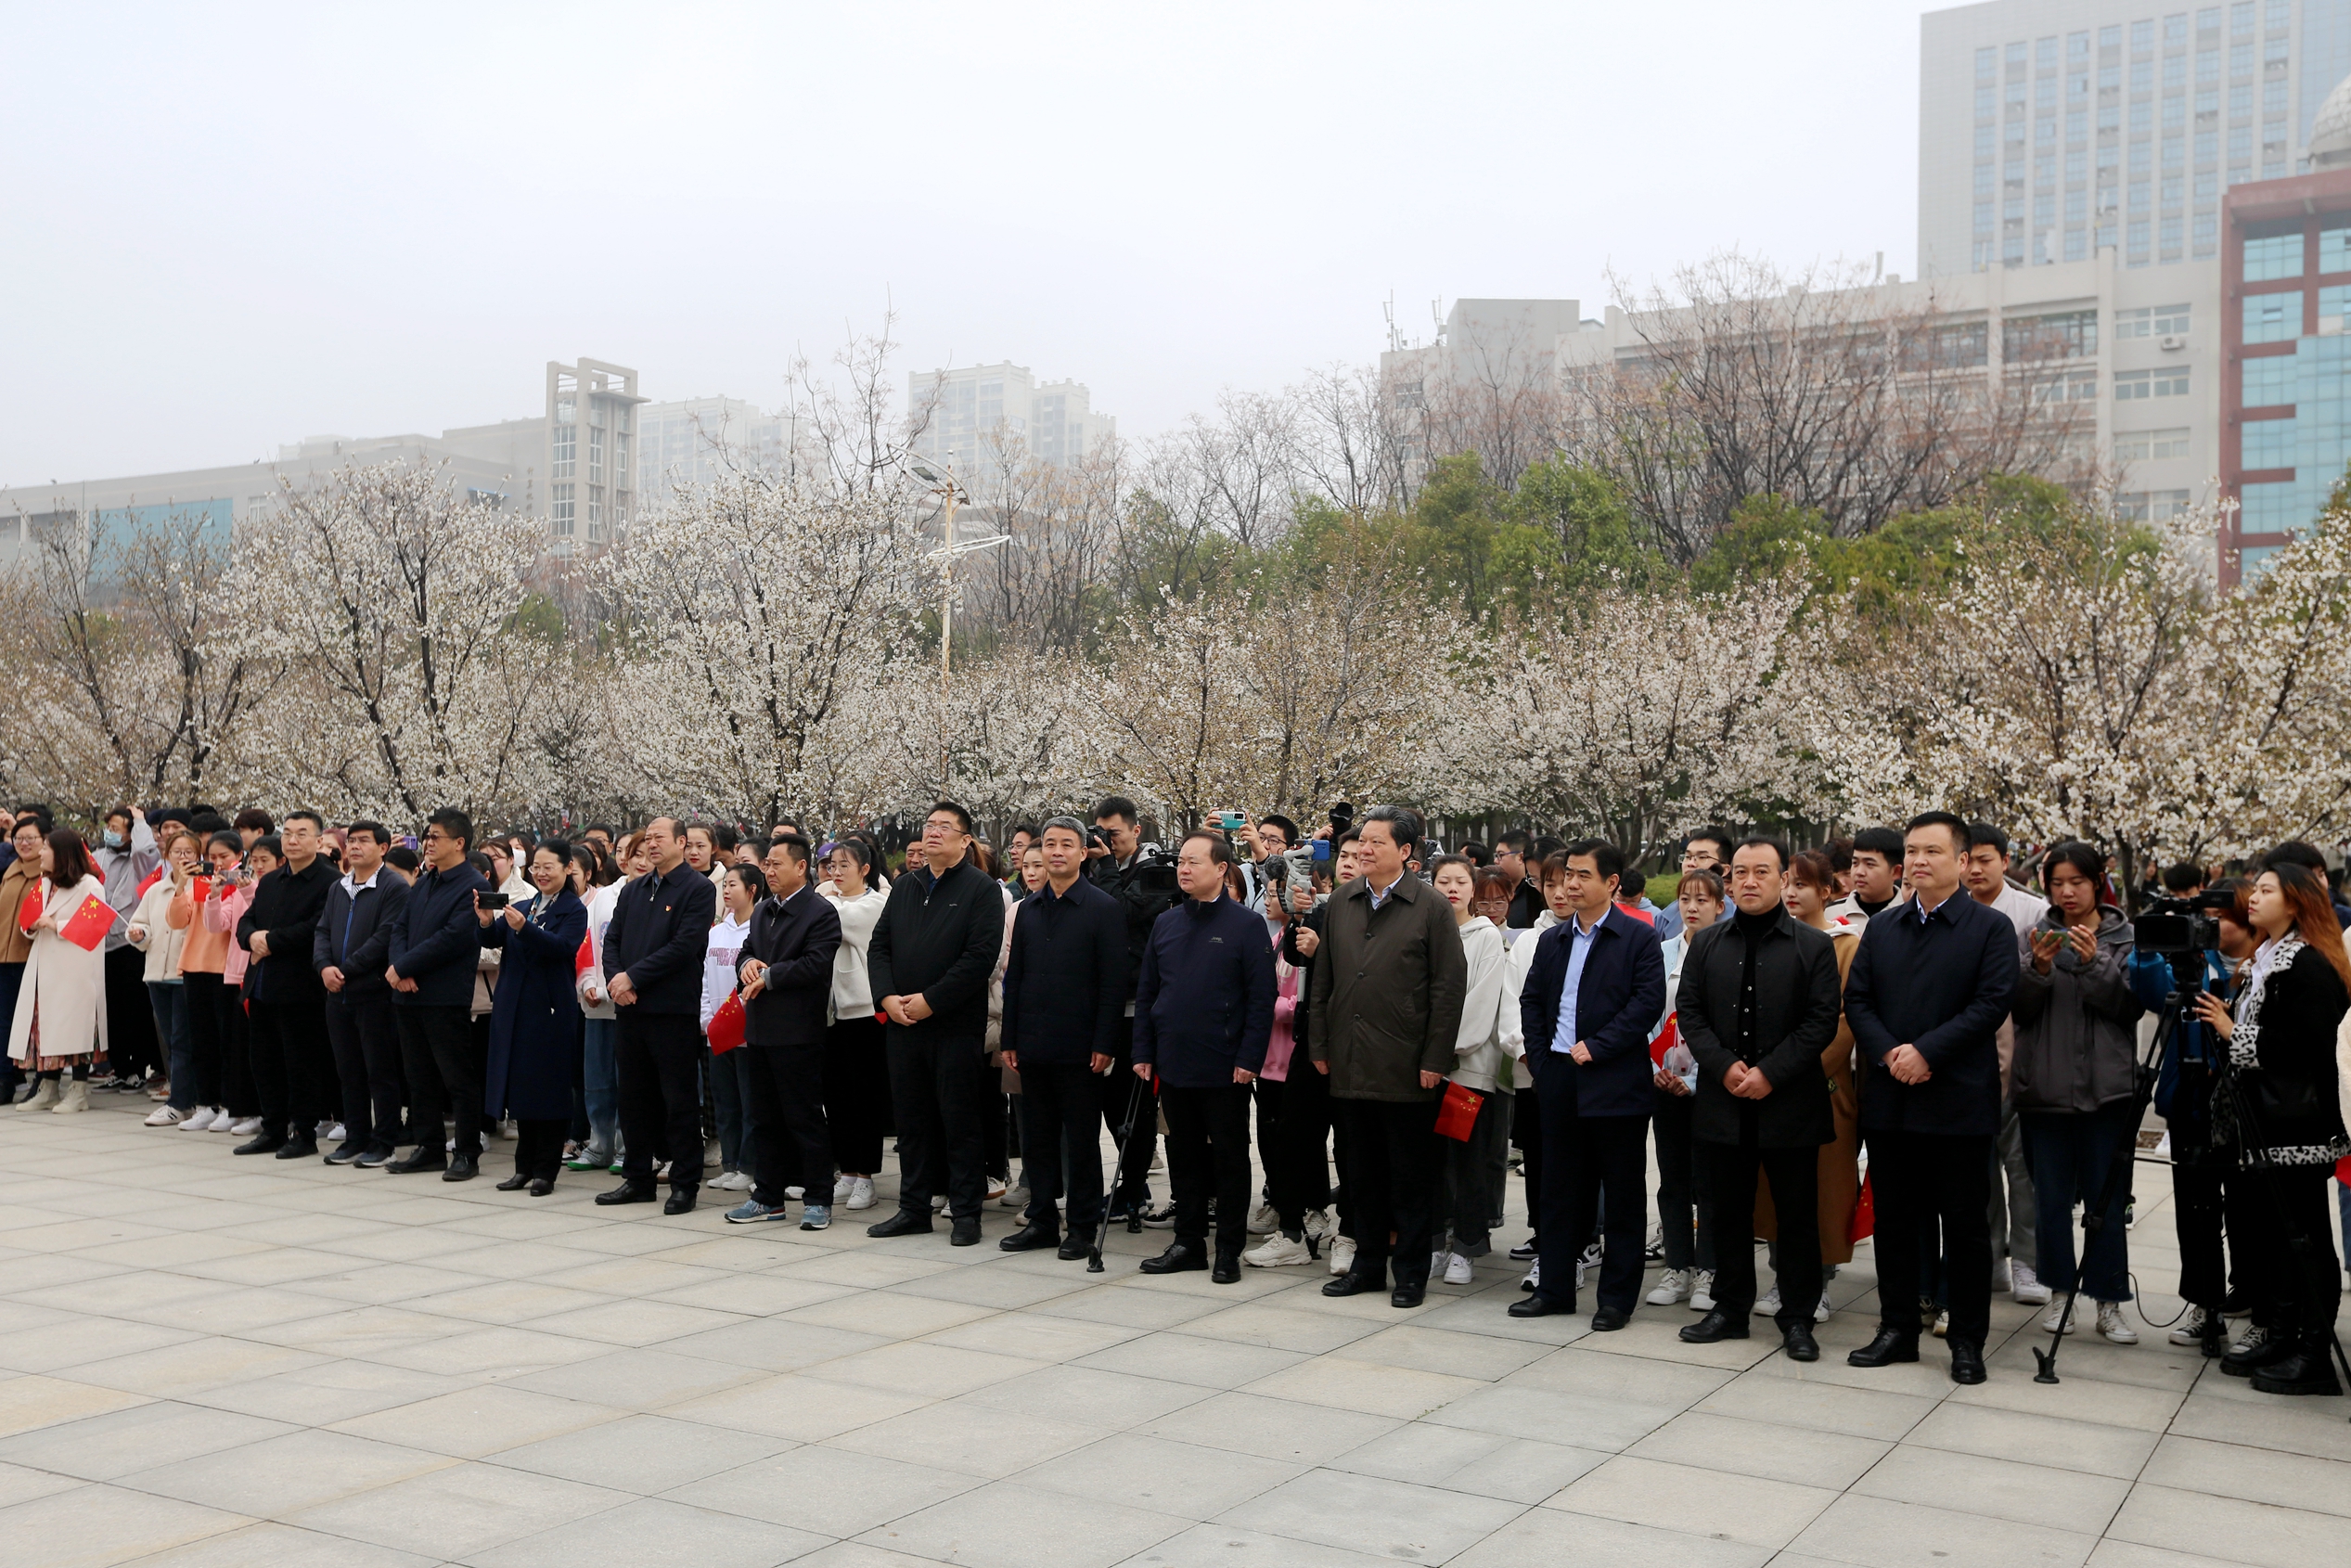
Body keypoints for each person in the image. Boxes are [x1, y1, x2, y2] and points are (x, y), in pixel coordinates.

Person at [1843, 811, 2020, 1386]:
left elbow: (1991, 1003)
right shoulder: (1884, 928)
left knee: (1965, 1226)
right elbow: (1858, 1001)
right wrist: (1891, 1052)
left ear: (1962, 862)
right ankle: (1897, 1329)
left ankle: (1968, 1340)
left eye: (1933, 852)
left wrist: (1927, 1053)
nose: (1918, 861)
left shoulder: (1990, 928)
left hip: (1958, 1101)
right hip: (1891, 1097)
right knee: (1896, 1221)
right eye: (1912, 851)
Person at [1675, 838, 1842, 1361]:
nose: (1750, 881)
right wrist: (1723, 1066)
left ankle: (1798, 1318)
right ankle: (1729, 1309)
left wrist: (1771, 1072)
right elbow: (1690, 1012)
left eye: (1762, 871)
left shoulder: (1813, 945)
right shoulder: (1707, 943)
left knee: (1796, 1216)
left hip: (1790, 1102)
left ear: (1783, 879)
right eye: (1740, 872)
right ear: (1729, 882)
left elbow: (1821, 1021)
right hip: (1723, 1100)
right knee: (1726, 1212)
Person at [2194, 859, 2351, 1394]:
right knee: (2279, 1235)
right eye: (2256, 889)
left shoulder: (2308, 963)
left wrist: (2231, 1030)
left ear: (2296, 901)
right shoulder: (2267, 959)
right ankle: (2282, 1335)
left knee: (2305, 1235)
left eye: (2266, 890)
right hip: (2267, 1121)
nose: (2254, 898)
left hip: (2298, 1124)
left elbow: (2311, 1047)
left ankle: (2314, 1353)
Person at [1312, 806, 1469, 1309]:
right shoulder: (1342, 900)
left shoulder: (1430, 907)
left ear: (1405, 851)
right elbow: (1324, 979)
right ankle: (1367, 1267)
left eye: (1376, 842)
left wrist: (1435, 1058)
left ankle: (1411, 1273)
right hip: (1349, 1059)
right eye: (1362, 841)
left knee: (1410, 1177)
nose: (1364, 850)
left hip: (1407, 1065)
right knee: (1360, 1176)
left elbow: (1448, 989)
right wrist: (1319, 1044)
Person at [1509, 839, 1666, 1327]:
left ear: (1612, 882)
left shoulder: (1637, 937)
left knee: (1621, 1195)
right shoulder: (1553, 939)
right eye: (1566, 876)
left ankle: (1616, 1299)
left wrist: (1598, 1045)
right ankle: (1554, 1289)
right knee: (1558, 1192)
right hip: (1558, 1077)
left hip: (1616, 1081)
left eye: (1582, 875)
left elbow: (1647, 1003)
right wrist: (1541, 1059)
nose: (1571, 885)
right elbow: (1532, 1001)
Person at [2011, 841, 2142, 1344]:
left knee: (2106, 1201)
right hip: (2044, 1090)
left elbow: (2129, 1008)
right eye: (2057, 883)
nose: (2067, 892)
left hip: (2107, 1092)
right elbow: (2018, 1009)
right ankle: (2060, 1294)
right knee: (2050, 1202)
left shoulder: (2124, 939)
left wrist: (2094, 964)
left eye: (2077, 882)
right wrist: (2039, 970)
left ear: (2097, 883)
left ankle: (2109, 1302)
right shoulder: (2032, 937)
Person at [1133, 830, 1276, 1281]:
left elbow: (1261, 998)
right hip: (1174, 1060)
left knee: (1229, 1158)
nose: (1184, 869)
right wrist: (1143, 1050)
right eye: (1181, 862)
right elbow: (1149, 992)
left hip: (1226, 1064)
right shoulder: (1166, 922)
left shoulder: (1245, 925)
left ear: (1221, 869)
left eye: (1194, 862)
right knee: (1183, 1155)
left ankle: (1228, 1248)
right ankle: (1188, 1242)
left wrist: (1249, 1057)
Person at [867, 802, 1007, 1244]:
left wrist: (931, 1001)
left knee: (959, 1121)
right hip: (903, 1024)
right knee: (911, 1122)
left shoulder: (981, 889)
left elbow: (979, 958)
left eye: (945, 827)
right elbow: (879, 947)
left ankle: (966, 1213)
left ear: (965, 841)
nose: (933, 832)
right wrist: (887, 997)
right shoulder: (905, 886)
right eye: (929, 825)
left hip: (954, 1026)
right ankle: (913, 1208)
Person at [2130, 878, 2254, 1346]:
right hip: (2190, 1103)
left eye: (2219, 919)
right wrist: (2148, 947)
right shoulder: (2192, 963)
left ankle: (2252, 1296)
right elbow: (2149, 993)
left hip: (2243, 1110)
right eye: (2205, 918)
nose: (2208, 926)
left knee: (2246, 1212)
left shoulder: (2262, 966)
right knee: (2195, 1211)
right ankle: (2205, 1304)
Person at [998, 817, 1127, 1260]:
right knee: (1036, 1137)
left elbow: (1113, 983)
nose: (1056, 852)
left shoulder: (1103, 908)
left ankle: (1082, 1227)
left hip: (1081, 1045)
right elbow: (1014, 978)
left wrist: (1105, 1043)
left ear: (1082, 853)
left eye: (1066, 844)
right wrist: (1010, 1037)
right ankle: (1041, 1220)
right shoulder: (1028, 909)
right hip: (1032, 1041)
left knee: (1081, 1140)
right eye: (1050, 843)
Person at [598, 816, 721, 1215]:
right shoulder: (633, 890)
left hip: (672, 1010)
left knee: (678, 1101)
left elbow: (684, 946)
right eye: (646, 839)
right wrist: (617, 979)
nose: (650, 845)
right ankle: (637, 1178)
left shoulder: (697, 889)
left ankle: (684, 1184)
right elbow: (612, 940)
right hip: (630, 1008)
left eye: (658, 838)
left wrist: (633, 976)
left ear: (681, 842)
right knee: (634, 1099)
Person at [1760, 850, 1864, 1311]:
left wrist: (1794, 1071)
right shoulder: (1771, 939)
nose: (1791, 892)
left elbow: (1845, 1020)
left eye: (1802, 885)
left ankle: (1817, 1282)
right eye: (1787, 882)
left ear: (1826, 891)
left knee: (1823, 1186)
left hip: (1823, 1085)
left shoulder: (1845, 945)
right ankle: (1781, 1276)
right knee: (1773, 1187)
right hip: (1769, 1084)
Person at [728, 836, 843, 1229]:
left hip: (798, 1031)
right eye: (767, 864)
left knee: (804, 1118)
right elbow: (747, 948)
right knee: (763, 1119)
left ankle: (818, 1199)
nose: (770, 871)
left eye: (777, 864)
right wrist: (746, 965)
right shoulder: (764, 909)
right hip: (760, 1029)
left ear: (801, 867)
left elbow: (816, 964)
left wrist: (770, 976)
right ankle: (767, 1196)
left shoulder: (820, 912)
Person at [1965, 821, 2052, 1308]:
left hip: (2019, 1061)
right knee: (1978, 1171)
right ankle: (1991, 1255)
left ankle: (2028, 1261)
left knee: (2021, 1170)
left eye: (1986, 860)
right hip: (1965, 1060)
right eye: (1970, 860)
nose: (1976, 870)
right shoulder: (1952, 909)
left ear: (2004, 860)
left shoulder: (2032, 912)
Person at [384, 808, 494, 1180]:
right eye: (426, 836)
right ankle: (429, 1148)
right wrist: (399, 967)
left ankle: (466, 1153)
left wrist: (404, 967)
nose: (428, 843)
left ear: (459, 842)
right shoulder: (427, 880)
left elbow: (454, 937)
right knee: (418, 1078)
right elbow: (400, 927)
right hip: (409, 993)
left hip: (444, 995)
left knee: (457, 1079)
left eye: (435, 837)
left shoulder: (473, 885)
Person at [480, 841, 588, 1195]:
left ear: (567, 868)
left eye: (548, 867)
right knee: (522, 1090)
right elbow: (493, 937)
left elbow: (563, 947)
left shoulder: (573, 909)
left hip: (550, 1009)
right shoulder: (525, 904)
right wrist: (486, 920)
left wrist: (525, 928)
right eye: (536, 867)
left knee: (550, 1090)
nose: (540, 873)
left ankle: (546, 1170)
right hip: (515, 1008)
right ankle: (522, 1168)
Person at [1088, 795, 1176, 1221]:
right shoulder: (1096, 867)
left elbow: (1118, 914)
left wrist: (1105, 865)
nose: (1107, 841)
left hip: (1139, 1004)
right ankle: (1132, 1183)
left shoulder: (1156, 870)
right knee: (1109, 1102)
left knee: (1134, 1105)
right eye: (1100, 833)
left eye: (1114, 834)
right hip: (1102, 1002)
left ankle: (1134, 1186)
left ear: (1136, 830)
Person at [1431, 856, 1513, 1286]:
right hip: (1425, 1070)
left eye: (1461, 881)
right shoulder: (1427, 930)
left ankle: (1466, 1246)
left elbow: (1481, 1006)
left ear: (1473, 889)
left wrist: (1442, 1051)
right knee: (1434, 1161)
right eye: (1443, 881)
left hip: (1466, 1072)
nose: (1452, 888)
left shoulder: (1485, 937)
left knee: (1467, 1160)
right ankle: (1436, 1242)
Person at [236, 810, 336, 1158]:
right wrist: (252, 938)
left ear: (318, 840)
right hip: (262, 985)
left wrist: (270, 941)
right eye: (288, 833)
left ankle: (304, 1133)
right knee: (265, 1062)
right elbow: (247, 920)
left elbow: (317, 928)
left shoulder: (330, 881)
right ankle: (273, 1129)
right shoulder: (271, 880)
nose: (292, 840)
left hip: (301, 987)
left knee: (301, 1064)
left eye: (301, 834)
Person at [1647, 868, 1725, 1312]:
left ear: (1720, 905)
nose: (1692, 908)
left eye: (1702, 900)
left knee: (1709, 1180)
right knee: (1672, 1178)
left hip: (1711, 1084)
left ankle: (1709, 1270)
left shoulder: (1728, 953)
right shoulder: (1662, 952)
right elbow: (1648, 1014)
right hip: (1663, 1081)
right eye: (1685, 899)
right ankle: (1677, 1265)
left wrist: (1694, 1077)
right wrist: (1657, 1067)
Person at [315, 821, 405, 1166]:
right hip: (337, 994)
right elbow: (323, 931)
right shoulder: (338, 887)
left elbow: (385, 936)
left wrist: (346, 970)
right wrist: (324, 967)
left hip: (374, 993)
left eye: (363, 841)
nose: (354, 846)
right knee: (348, 1071)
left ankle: (384, 1142)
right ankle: (355, 1138)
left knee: (379, 1072)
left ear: (383, 848)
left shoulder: (394, 887)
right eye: (351, 840)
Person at [7, 829, 111, 1112]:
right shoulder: (44, 883)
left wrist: (56, 926)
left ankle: (78, 1091)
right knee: (46, 1028)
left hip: (77, 971)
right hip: (44, 967)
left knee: (77, 1030)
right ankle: (49, 1088)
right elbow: (28, 920)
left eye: (46, 848)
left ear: (62, 853)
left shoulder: (90, 885)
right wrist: (31, 927)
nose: (41, 853)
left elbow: (95, 926)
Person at [817, 839, 888, 1212]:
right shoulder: (831, 901)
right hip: (832, 1013)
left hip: (865, 1013)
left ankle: (866, 1177)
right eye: (831, 866)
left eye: (845, 865)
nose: (836, 872)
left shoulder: (873, 905)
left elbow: (830, 920)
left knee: (866, 1098)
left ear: (865, 870)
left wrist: (821, 894)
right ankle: (846, 1172)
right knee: (837, 1096)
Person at [571, 829, 638, 1174]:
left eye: (640, 852)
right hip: (598, 1004)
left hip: (633, 1004)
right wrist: (587, 984)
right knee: (597, 1080)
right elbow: (586, 946)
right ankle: (600, 1144)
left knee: (630, 1082)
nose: (634, 859)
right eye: (627, 852)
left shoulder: (656, 898)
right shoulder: (602, 898)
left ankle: (629, 1146)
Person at [127, 834, 200, 1125]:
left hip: (186, 975)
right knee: (171, 1041)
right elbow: (140, 923)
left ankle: (179, 1103)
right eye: (176, 852)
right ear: (167, 855)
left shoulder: (203, 886)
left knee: (182, 1041)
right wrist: (139, 935)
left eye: (188, 852)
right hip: (157, 974)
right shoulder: (155, 890)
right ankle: (187, 1098)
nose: (182, 857)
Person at [94, 806, 161, 1091]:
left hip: (130, 942)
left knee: (135, 1008)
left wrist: (141, 822)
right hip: (102, 942)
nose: (110, 832)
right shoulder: (99, 856)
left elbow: (145, 850)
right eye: (108, 826)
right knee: (111, 1010)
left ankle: (138, 1068)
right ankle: (120, 1068)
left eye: (117, 828)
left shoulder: (141, 860)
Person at [702, 865, 760, 1194]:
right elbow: (705, 976)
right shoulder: (716, 932)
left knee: (749, 1102)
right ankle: (730, 1163)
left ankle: (749, 1167)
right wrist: (706, 1018)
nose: (725, 890)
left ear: (752, 890)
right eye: (724, 885)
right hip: (717, 1028)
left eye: (733, 885)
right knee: (725, 1102)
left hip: (747, 1029)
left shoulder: (759, 930)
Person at [0, 818, 44, 1102]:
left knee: (35, 1024)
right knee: (5, 1021)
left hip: (32, 958)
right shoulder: (11, 870)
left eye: (30, 838)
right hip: (5, 957)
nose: (24, 844)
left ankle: (42, 1081)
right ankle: (6, 1079)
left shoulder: (48, 873)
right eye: (18, 839)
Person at [1829, 827, 1905, 928]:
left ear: (1896, 872)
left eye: (1870, 864)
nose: (1859, 872)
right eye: (1855, 863)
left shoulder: (1911, 914)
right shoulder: (1830, 913)